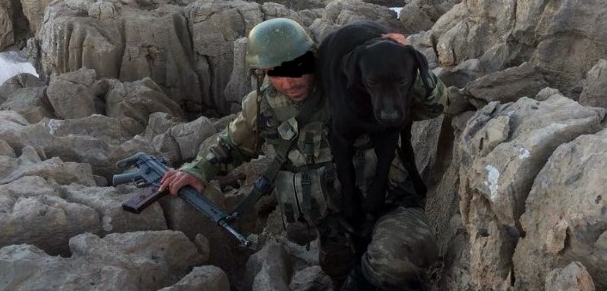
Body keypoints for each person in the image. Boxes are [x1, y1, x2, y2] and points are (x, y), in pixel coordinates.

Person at [159, 18, 449, 290]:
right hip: (329, 231)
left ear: (313, 58)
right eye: (277, 72)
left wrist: (401, 59)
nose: (290, 81)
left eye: (299, 66)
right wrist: (197, 170)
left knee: (394, 260)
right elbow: (232, 145)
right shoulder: (263, 106)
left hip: (388, 208)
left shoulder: (353, 82)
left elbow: (435, 106)